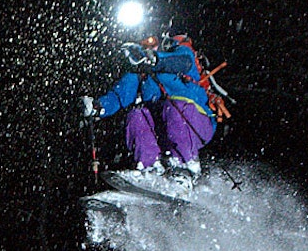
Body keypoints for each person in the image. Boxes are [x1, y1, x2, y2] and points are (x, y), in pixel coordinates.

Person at [83, 34, 216, 176]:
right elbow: (120, 95)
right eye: (143, 43)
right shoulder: (141, 71)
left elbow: (183, 62)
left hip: (195, 123)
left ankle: (186, 166)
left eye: (151, 42)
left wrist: (155, 59)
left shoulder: (178, 51)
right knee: (136, 115)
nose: (148, 46)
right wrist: (99, 106)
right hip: (164, 132)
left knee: (172, 106)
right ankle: (150, 166)